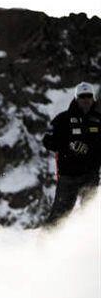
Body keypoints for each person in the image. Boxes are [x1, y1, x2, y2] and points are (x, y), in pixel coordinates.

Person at [43, 81, 101, 224]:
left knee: (90, 216)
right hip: (68, 177)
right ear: (76, 98)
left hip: (91, 175)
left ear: (93, 98)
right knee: (58, 216)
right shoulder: (63, 119)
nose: (86, 100)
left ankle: (87, 245)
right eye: (82, 96)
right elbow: (48, 141)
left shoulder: (99, 121)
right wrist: (69, 145)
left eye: (89, 96)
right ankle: (44, 244)